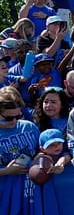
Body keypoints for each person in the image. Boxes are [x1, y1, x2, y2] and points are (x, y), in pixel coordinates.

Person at [0, 86, 40, 214]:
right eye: (8, 118)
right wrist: (7, 171)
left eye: (18, 116)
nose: (14, 121)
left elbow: (42, 152)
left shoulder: (29, 127)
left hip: (32, 193)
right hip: (5, 197)